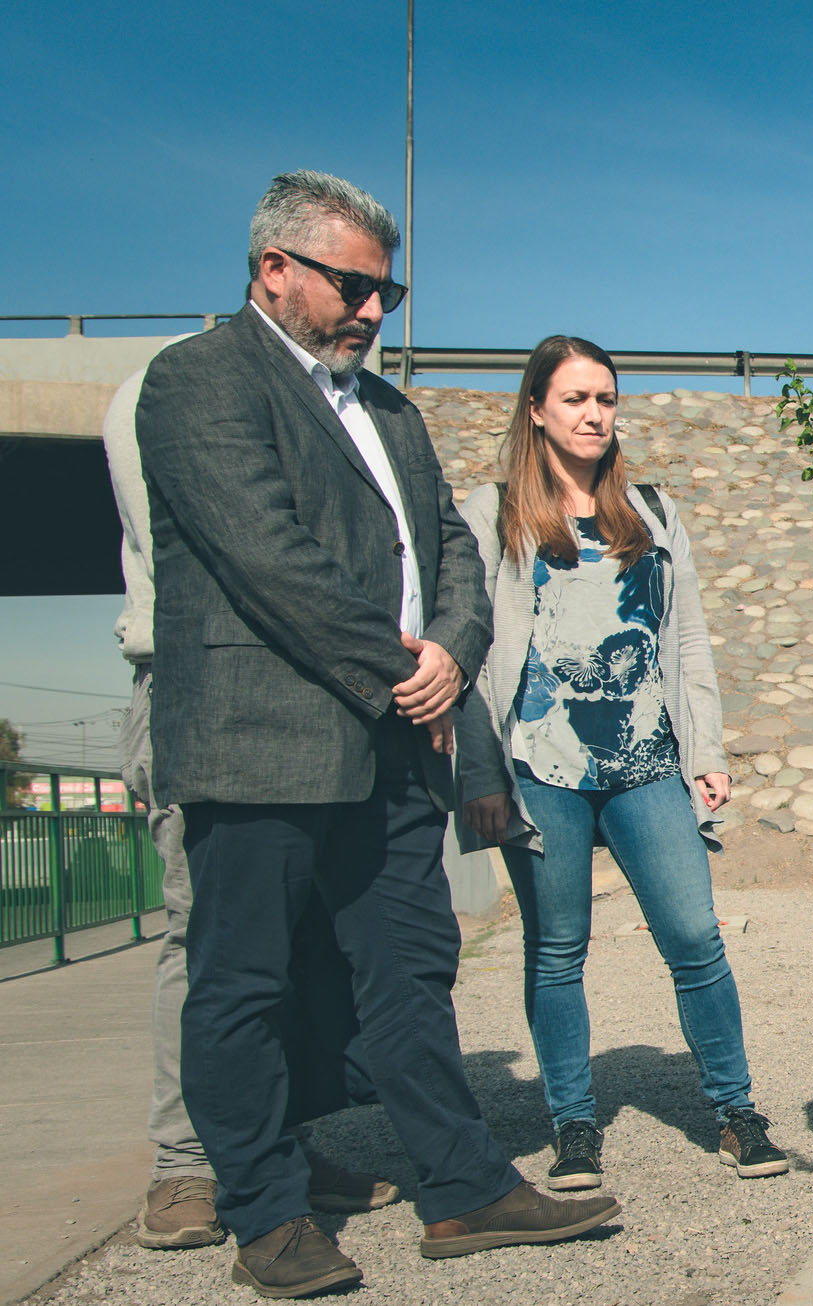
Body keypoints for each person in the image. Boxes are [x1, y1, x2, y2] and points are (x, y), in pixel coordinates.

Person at [136, 170, 619, 1297]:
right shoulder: (198, 381)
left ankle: (464, 1187)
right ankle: (266, 1211)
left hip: (398, 744)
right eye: (352, 285)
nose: (371, 310)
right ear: (274, 269)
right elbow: (268, 561)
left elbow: (452, 554)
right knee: (243, 983)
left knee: (409, 971)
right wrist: (404, 663)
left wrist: (451, 648)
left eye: (385, 291)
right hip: (263, 742)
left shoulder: (391, 412)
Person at [456, 336, 786, 1190]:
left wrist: (704, 749)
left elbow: (687, 639)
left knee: (695, 938)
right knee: (556, 949)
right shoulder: (489, 513)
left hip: (648, 763)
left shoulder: (651, 511)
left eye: (605, 398)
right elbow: (468, 649)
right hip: (540, 769)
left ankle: (735, 1110)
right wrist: (481, 776)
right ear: (536, 409)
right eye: (574, 399)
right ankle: (573, 1127)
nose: (595, 414)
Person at [106, 353, 402, 1251]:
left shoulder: (333, 399)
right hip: (210, 689)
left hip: (313, 692)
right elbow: (255, 552)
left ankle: (272, 1145)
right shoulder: (173, 384)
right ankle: (186, 1163)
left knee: (292, 938)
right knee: (207, 937)